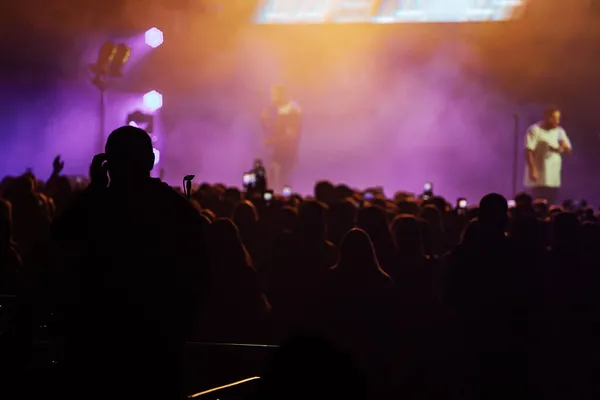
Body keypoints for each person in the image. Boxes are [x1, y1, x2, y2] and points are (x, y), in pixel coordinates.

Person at [50, 126, 208, 400]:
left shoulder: (95, 208)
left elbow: (58, 241)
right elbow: (199, 275)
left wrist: (95, 189)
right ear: (150, 161)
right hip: (159, 345)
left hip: (97, 346)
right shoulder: (178, 210)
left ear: (108, 164)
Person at [524, 107, 572, 205]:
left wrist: (563, 146)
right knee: (538, 202)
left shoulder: (559, 131)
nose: (557, 121)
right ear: (547, 117)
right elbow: (529, 151)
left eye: (558, 118)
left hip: (553, 176)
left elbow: (568, 150)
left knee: (551, 202)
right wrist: (533, 169)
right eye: (554, 118)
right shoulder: (535, 130)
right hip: (539, 176)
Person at [261, 85, 302, 191]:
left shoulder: (292, 111)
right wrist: (267, 122)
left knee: (283, 179)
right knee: (272, 176)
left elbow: (291, 135)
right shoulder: (280, 109)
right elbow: (280, 128)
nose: (272, 98)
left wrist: (272, 140)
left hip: (287, 153)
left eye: (274, 95)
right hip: (279, 151)